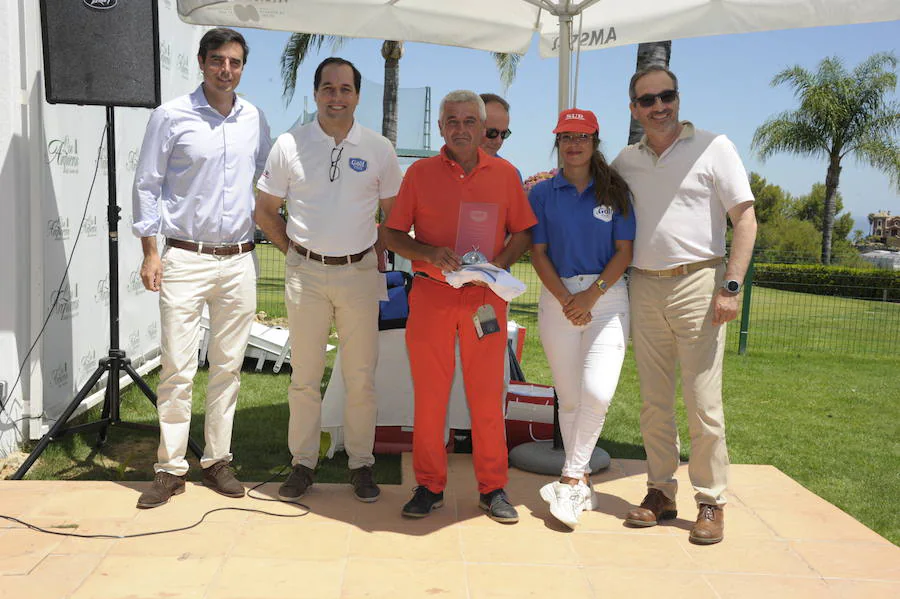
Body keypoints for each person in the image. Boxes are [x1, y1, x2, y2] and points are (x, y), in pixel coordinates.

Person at [611, 66, 757, 544]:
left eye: (666, 96)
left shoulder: (715, 146)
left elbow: (746, 219)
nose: (659, 107)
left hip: (700, 282)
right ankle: (660, 492)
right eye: (647, 100)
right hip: (644, 286)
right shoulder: (625, 161)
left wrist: (730, 285)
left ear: (678, 98)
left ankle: (711, 500)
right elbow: (596, 206)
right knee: (654, 403)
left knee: (702, 402)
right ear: (634, 109)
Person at [132, 28, 272, 508]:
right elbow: (147, 185)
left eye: (234, 62)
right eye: (218, 60)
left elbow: (264, 182)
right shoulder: (170, 116)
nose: (226, 70)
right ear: (201, 61)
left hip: (239, 260)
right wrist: (151, 251)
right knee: (177, 367)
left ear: (242, 67)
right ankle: (170, 469)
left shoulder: (255, 118)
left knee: (229, 368)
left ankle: (216, 460)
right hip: (184, 257)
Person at [383, 90, 536, 524]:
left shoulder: (505, 175)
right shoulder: (419, 174)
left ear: (484, 127)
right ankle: (429, 485)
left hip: (483, 301)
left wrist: (495, 268)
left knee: (486, 397)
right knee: (430, 398)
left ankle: (493, 489)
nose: (462, 129)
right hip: (431, 296)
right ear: (441, 127)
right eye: (453, 120)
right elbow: (393, 235)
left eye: (471, 122)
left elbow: (523, 232)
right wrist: (430, 253)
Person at [255, 57, 403, 503]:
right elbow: (265, 211)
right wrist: (295, 255)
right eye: (328, 88)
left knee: (361, 377)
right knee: (304, 376)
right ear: (316, 93)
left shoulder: (379, 148)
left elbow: (396, 218)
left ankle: (361, 464)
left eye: (345, 89)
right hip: (306, 275)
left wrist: (377, 254)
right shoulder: (289, 144)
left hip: (359, 274)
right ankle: (303, 463)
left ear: (358, 95)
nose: (336, 97)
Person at [529, 109, 635, 529]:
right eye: (566, 137)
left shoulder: (615, 190)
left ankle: (570, 479)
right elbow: (537, 253)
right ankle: (582, 478)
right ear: (558, 143)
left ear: (595, 141)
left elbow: (623, 253)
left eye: (582, 136)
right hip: (558, 298)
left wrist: (590, 296)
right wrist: (566, 299)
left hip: (607, 299)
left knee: (597, 391)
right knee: (569, 398)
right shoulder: (541, 194)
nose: (574, 144)